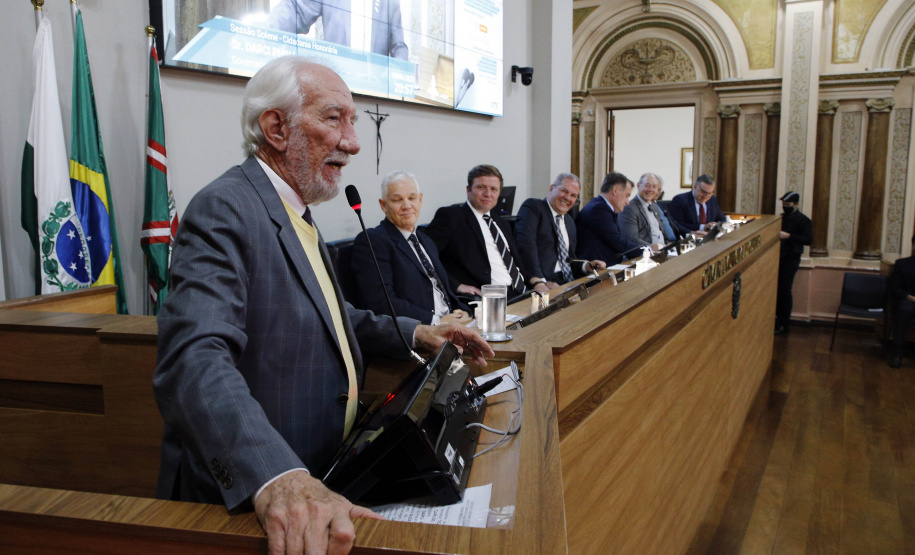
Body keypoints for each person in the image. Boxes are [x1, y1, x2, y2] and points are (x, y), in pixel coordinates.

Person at [153, 56, 493, 555]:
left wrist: (418, 333)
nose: (353, 142)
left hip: (328, 472)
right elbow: (192, 359)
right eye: (334, 119)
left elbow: (328, 315)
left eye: (352, 122)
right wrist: (276, 475)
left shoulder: (296, 211)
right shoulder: (227, 207)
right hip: (258, 499)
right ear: (276, 127)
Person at [352, 171, 470, 324]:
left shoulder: (426, 241)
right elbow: (381, 302)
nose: (407, 205)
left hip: (453, 323)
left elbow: (441, 290)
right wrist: (437, 321)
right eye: (397, 200)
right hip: (419, 333)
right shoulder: (372, 240)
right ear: (383, 205)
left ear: (420, 200)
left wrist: (463, 311)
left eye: (412, 198)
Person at [424, 164, 548, 296]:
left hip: (522, 292)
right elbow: (424, 256)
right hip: (487, 298)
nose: (488, 194)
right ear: (468, 189)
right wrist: (456, 285)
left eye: (494, 189)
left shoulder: (501, 222)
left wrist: (536, 281)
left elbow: (514, 264)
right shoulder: (451, 216)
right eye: (481, 187)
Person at [514, 173, 606, 287]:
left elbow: (569, 259)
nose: (567, 198)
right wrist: (540, 281)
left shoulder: (569, 221)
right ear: (552, 188)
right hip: (544, 280)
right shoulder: (534, 207)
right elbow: (526, 247)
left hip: (569, 281)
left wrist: (586, 266)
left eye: (573, 195)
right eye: (564, 191)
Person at [268, 0, 409, 60]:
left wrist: (399, 81)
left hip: (376, 93)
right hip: (338, 83)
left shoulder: (389, 2)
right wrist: (263, 31)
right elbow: (295, 11)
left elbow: (399, 47)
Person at [576, 172, 641, 265]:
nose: (627, 202)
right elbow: (617, 242)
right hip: (596, 268)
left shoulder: (602, 206)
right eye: (627, 195)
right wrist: (647, 250)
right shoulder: (598, 210)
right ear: (615, 190)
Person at [774, 191, 812, 335]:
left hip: (791, 258)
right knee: (778, 289)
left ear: (796, 205)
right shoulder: (782, 218)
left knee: (785, 290)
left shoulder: (803, 220)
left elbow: (808, 239)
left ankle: (784, 323)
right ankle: (777, 320)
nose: (785, 207)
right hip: (779, 256)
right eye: (784, 204)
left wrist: (789, 236)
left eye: (788, 205)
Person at [619, 172, 677, 248]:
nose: (650, 190)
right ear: (638, 185)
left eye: (654, 187)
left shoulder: (654, 206)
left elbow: (661, 232)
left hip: (663, 250)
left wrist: (667, 245)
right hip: (645, 254)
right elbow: (631, 239)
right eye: (647, 186)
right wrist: (651, 247)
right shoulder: (629, 208)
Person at [889, 236, 915, 367]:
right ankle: (897, 352)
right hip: (907, 300)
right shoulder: (902, 264)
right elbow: (895, 289)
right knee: (904, 309)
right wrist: (910, 297)